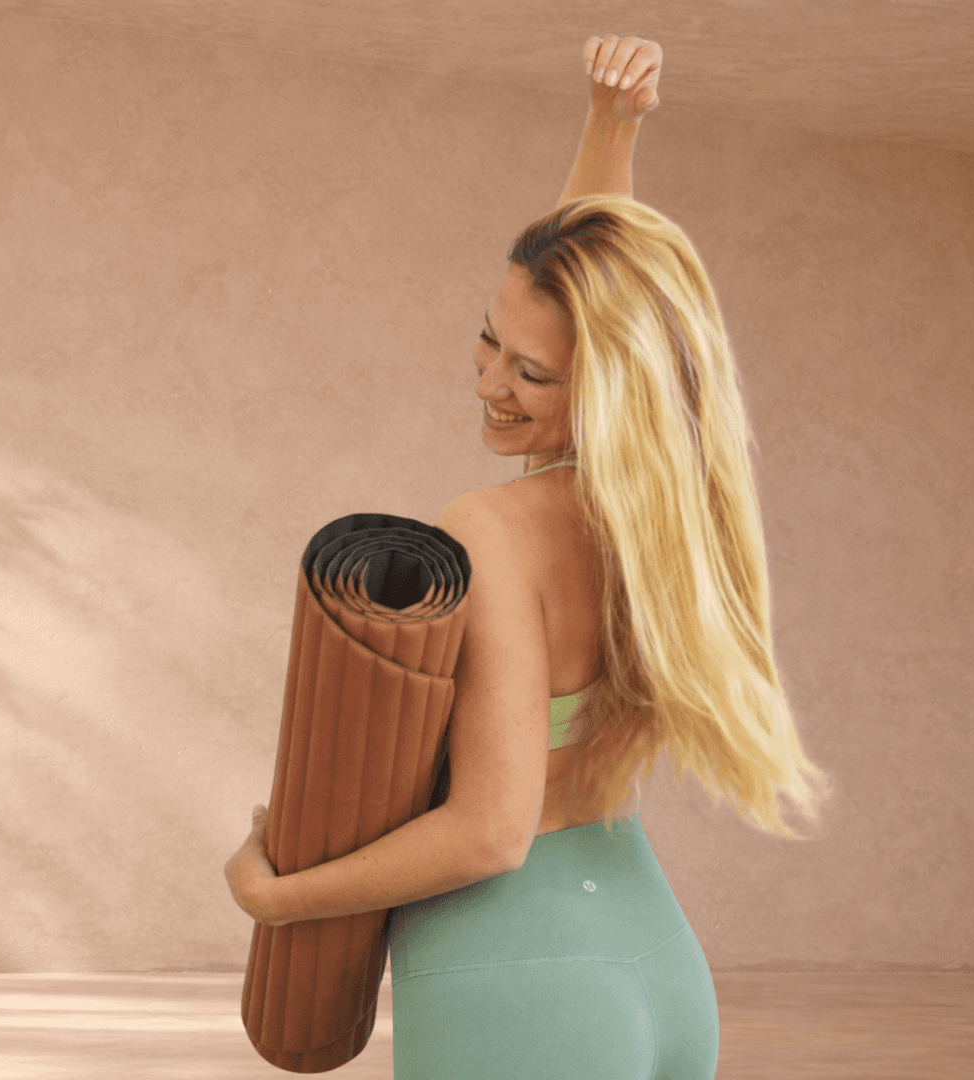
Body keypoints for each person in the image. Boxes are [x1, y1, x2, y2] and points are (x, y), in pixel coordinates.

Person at [386, 35, 731, 1080]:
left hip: (514, 976)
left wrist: (274, 887)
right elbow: (591, 300)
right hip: (657, 968)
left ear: (600, 388)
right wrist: (611, 126)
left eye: (525, 370)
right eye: (486, 339)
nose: (489, 379)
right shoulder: (663, 527)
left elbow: (489, 837)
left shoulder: (487, 531)